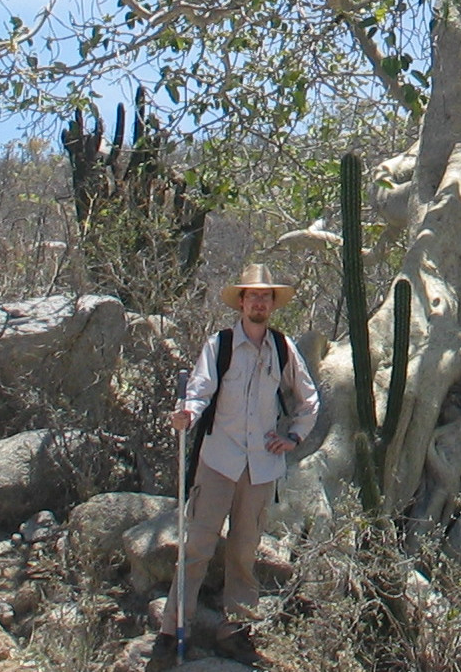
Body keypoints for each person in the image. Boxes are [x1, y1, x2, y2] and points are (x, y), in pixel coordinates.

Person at [151, 264, 318, 668]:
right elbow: (200, 389)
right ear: (241, 302)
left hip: (261, 467)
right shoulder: (220, 345)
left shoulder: (282, 348)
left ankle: (236, 631)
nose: (258, 302)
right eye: (252, 296)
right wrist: (187, 414)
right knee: (196, 547)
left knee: (245, 552)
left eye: (265, 297)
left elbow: (308, 400)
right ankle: (173, 631)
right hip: (218, 460)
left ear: (271, 304)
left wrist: (293, 437)